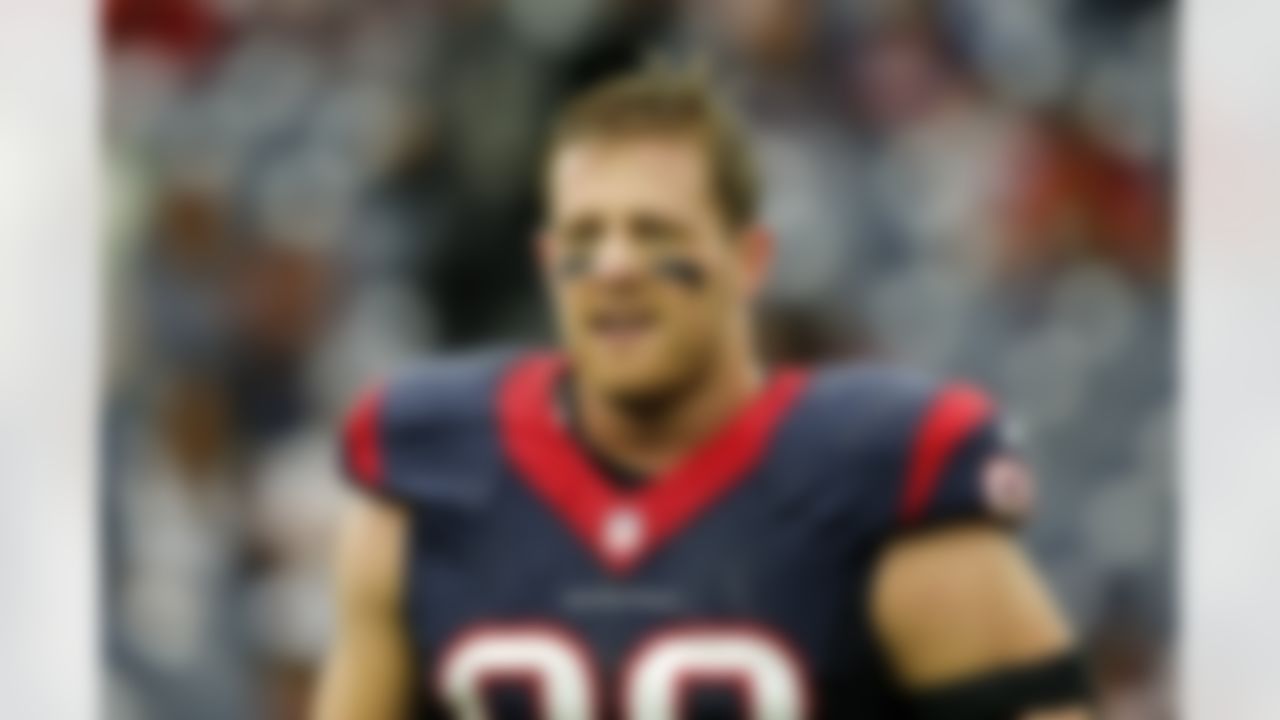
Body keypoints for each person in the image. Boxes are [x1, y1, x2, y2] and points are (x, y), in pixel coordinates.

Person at [314, 70, 1092, 719]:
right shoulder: (434, 476)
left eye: (656, 234)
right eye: (585, 239)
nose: (615, 266)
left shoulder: (876, 476)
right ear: (549, 263)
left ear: (748, 260)